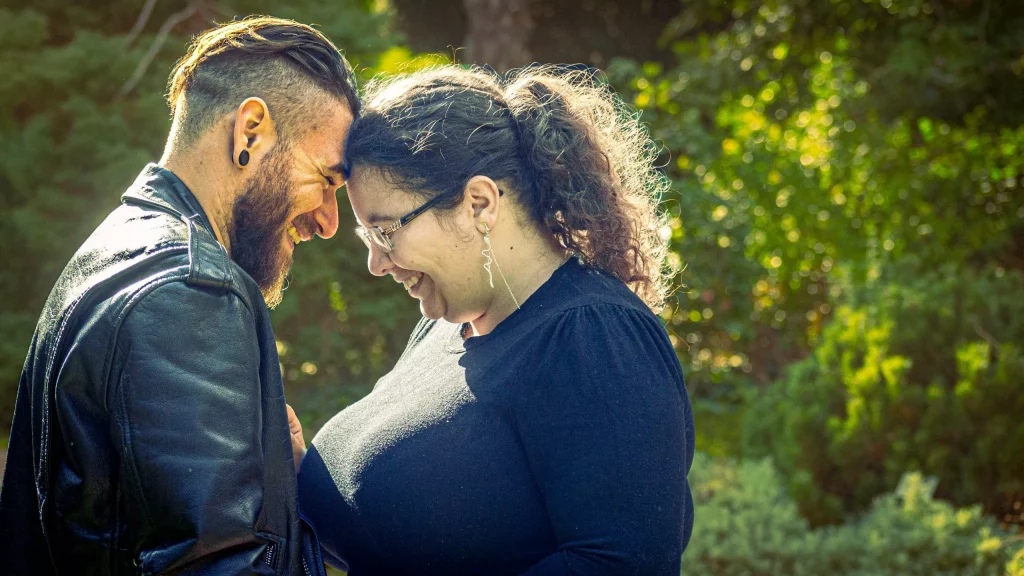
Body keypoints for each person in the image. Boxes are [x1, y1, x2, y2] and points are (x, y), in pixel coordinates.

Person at [295, 65, 695, 576]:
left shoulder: (594, 337)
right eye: (366, 238)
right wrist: (300, 471)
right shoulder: (446, 326)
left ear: (479, 203)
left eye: (386, 231)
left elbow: (621, 563)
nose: (378, 263)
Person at [0, 16, 356, 575]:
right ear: (251, 132)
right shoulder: (189, 290)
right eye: (327, 180)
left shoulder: (116, 243)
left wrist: (280, 487)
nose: (330, 221)